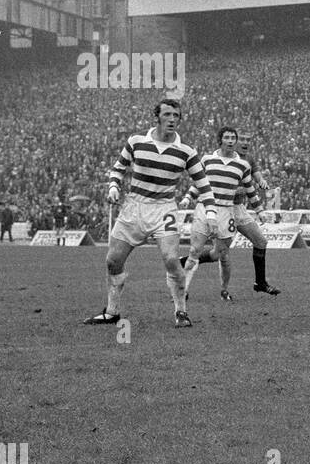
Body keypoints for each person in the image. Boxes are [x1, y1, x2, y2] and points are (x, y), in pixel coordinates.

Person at [83, 98, 217, 328]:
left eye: (176, 115)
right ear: (157, 117)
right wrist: (114, 187)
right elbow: (118, 168)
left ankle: (181, 312)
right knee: (113, 261)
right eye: (167, 115)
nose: (172, 119)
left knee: (171, 259)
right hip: (134, 207)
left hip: (164, 208)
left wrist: (212, 214)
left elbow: (203, 184)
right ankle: (112, 311)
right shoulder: (136, 142)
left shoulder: (186, 152)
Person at [181, 127, 255, 303]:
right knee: (194, 250)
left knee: (223, 254)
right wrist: (187, 197)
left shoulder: (243, 165)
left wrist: (259, 209)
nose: (230, 140)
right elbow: (198, 182)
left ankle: (224, 290)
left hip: (226, 211)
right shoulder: (207, 159)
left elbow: (250, 188)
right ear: (220, 139)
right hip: (205, 207)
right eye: (227, 137)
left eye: (233, 138)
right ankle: (183, 290)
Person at [227, 138, 281, 297]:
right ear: (234, 141)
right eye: (241, 139)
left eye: (247, 140)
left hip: (240, 209)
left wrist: (262, 181)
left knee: (261, 241)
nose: (245, 143)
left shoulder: (248, 159)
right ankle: (183, 264)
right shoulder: (224, 158)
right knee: (218, 252)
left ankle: (260, 283)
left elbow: (257, 176)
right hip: (223, 208)